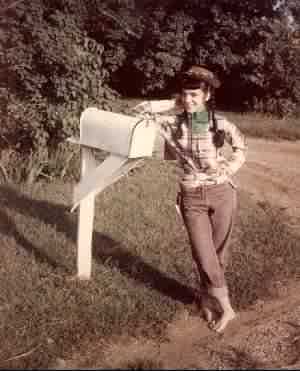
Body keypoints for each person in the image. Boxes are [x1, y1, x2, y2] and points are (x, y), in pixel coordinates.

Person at [132, 66, 247, 333]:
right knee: (204, 255)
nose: (189, 100)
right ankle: (228, 308)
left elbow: (241, 148)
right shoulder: (173, 123)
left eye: (195, 94)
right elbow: (139, 111)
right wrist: (176, 102)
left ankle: (206, 298)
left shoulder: (220, 123)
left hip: (223, 193)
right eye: (185, 95)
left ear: (207, 95)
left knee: (219, 255)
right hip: (191, 196)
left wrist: (227, 169)